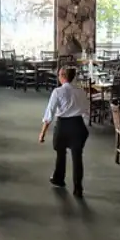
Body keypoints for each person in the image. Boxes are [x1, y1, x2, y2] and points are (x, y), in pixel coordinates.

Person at [38, 67, 89, 197]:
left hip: (63, 126)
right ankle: (78, 188)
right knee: (77, 158)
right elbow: (86, 110)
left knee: (61, 153)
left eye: (58, 75)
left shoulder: (57, 91)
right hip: (78, 125)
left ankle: (59, 179)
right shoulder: (81, 92)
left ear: (62, 75)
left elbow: (49, 113)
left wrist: (42, 133)